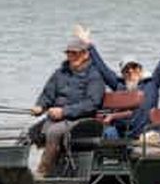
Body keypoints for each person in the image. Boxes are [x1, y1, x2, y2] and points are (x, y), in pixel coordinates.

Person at [79, 19, 160, 140]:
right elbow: (102, 68)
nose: (131, 71)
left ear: (140, 69)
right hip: (120, 132)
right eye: (127, 69)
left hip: (144, 134)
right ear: (123, 73)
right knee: (104, 134)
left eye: (134, 67)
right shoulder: (119, 84)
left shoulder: (152, 82)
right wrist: (88, 44)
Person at [31, 35, 105, 176]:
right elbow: (48, 94)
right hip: (57, 119)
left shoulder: (94, 76)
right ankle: (12, 174)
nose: (71, 56)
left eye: (75, 53)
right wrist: (40, 106)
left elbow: (92, 104)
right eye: (69, 53)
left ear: (85, 54)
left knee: (54, 132)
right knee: (29, 134)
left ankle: (43, 172)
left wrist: (64, 111)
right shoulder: (60, 73)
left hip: (82, 120)